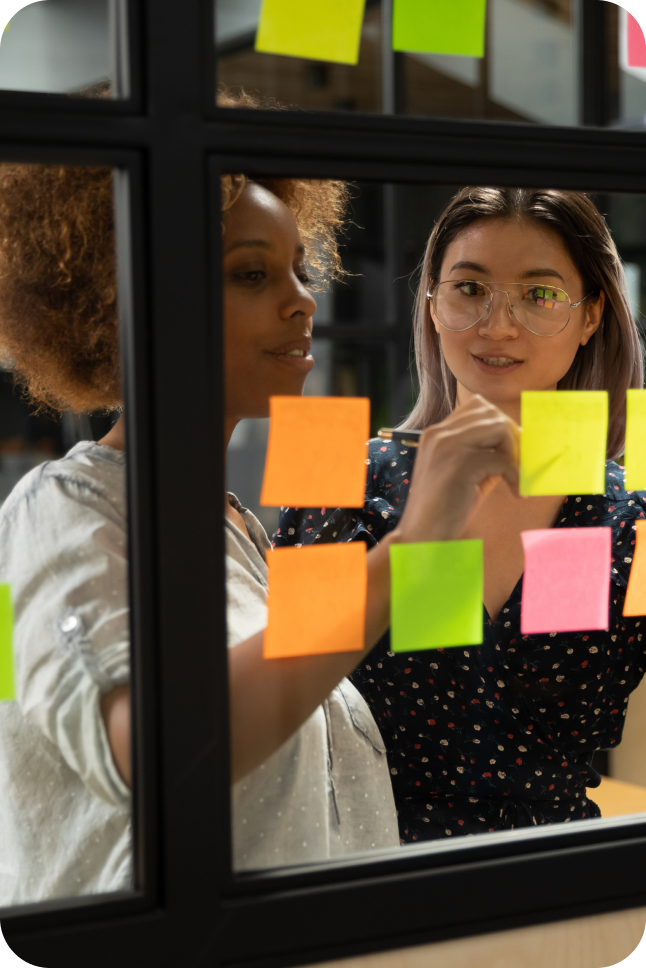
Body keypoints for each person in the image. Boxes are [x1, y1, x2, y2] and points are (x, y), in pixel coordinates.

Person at [0, 154, 519, 901]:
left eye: (300, 270)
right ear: (134, 300)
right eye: (251, 274)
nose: (302, 302)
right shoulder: (61, 514)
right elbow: (152, 752)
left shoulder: (237, 533)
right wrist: (408, 550)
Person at [276, 187, 646, 843]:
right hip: (374, 881)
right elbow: (280, 709)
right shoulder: (335, 470)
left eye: (539, 295)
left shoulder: (621, 511)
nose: (498, 326)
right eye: (470, 289)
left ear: (590, 316)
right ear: (432, 306)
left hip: (571, 893)